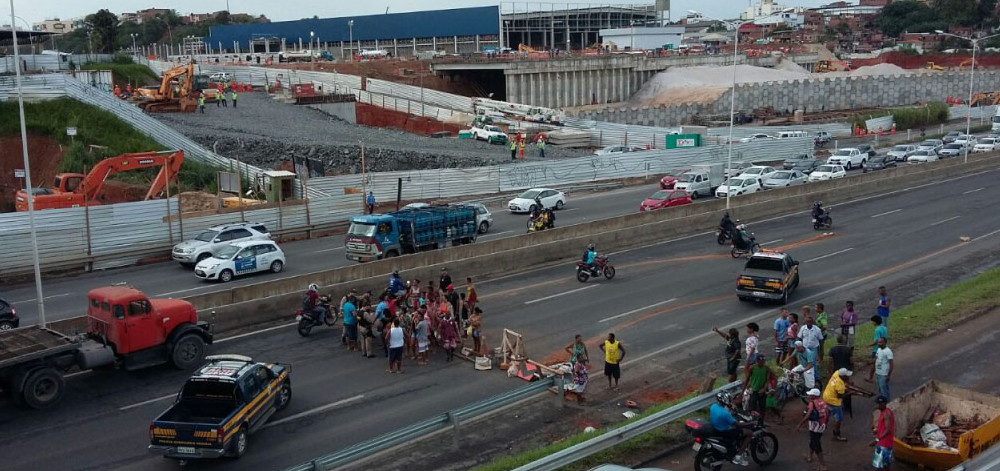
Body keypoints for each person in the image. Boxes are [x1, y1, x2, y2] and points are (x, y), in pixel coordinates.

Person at [710, 391, 749, 466]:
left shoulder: (713, 406)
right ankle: (738, 456)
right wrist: (749, 423)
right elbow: (738, 425)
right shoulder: (725, 414)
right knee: (749, 433)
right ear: (725, 400)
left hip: (716, 428)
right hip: (725, 431)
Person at [798, 388, 830, 471]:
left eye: (810, 395)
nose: (809, 396)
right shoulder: (823, 402)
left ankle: (823, 465)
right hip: (821, 426)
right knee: (813, 441)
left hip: (814, 426)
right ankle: (810, 456)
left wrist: (800, 424)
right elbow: (827, 413)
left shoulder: (812, 403)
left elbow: (808, 415)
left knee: (817, 445)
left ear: (814, 396)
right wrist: (825, 424)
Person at [823, 368, 853, 441]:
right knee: (839, 419)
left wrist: (847, 384)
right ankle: (836, 434)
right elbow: (840, 396)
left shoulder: (836, 373)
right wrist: (850, 393)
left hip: (826, 396)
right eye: (847, 376)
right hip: (834, 401)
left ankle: (822, 426)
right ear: (843, 376)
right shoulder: (839, 385)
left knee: (827, 412)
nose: (848, 377)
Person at [871, 396, 895, 471]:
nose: (877, 405)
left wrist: (877, 440)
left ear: (883, 404)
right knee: (886, 464)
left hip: (883, 444)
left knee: (880, 466)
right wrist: (877, 430)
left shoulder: (886, 414)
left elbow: (888, 430)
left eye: (878, 404)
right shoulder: (887, 411)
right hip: (887, 443)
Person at [866, 315, 889, 382]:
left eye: (872, 321)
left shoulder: (877, 330)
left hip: (877, 350)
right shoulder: (884, 328)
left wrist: (869, 345)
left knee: (874, 364)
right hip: (884, 348)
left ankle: (870, 378)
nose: (872, 323)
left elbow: (877, 341)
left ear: (875, 322)